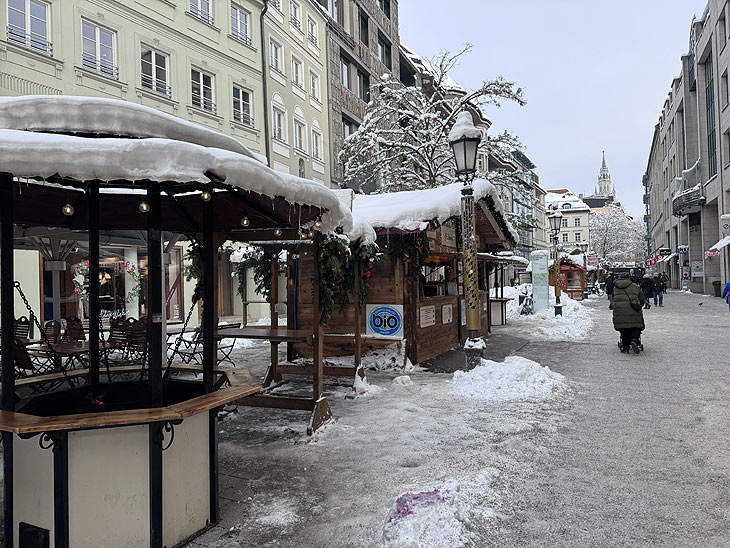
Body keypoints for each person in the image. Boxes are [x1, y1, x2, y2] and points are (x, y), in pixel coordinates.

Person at [613, 272, 646, 353]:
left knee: (623, 328)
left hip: (619, 311)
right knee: (636, 326)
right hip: (633, 310)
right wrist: (640, 305)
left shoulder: (615, 288)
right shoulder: (635, 286)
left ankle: (625, 346)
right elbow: (642, 299)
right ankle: (634, 340)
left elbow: (614, 298)